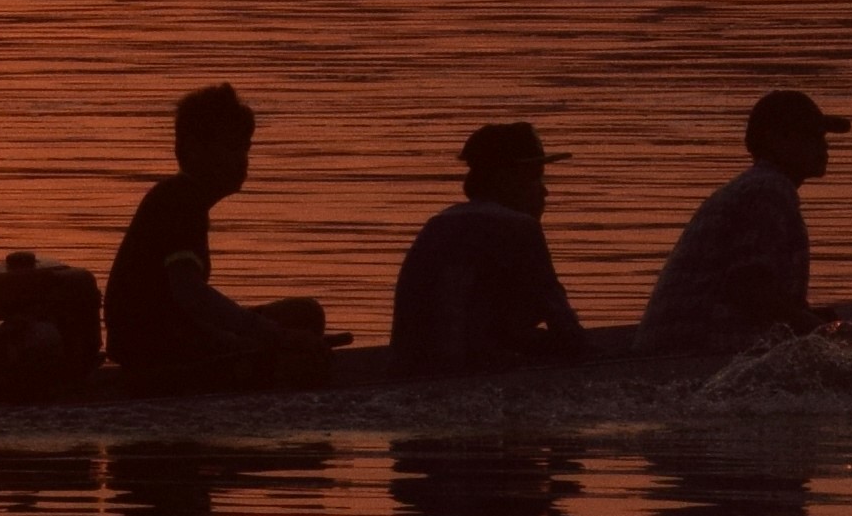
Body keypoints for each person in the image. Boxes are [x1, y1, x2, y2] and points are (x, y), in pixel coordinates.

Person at [106, 82, 332, 390]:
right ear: (195, 150)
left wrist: (254, 332)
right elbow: (189, 293)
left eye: (245, 148)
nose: (242, 160)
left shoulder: (182, 199)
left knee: (303, 314)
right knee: (302, 325)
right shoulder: (179, 202)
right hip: (158, 347)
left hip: (169, 336)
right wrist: (271, 335)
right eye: (231, 148)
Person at [639, 87, 849, 352]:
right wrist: (819, 333)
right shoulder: (767, 190)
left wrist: (807, 316)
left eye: (821, 137)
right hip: (693, 348)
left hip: (678, 344)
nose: (823, 146)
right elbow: (749, 289)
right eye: (809, 136)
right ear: (774, 140)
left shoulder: (759, 187)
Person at [386, 121, 590, 376]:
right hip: (472, 374)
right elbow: (565, 327)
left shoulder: (437, 224)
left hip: (409, 370)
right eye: (536, 178)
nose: (545, 191)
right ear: (507, 179)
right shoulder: (520, 228)